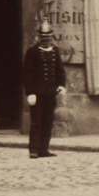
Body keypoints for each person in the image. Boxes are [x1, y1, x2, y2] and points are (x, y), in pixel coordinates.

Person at [22, 18, 65, 159]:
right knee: (36, 122)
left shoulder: (55, 51)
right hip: (37, 93)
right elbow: (27, 74)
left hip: (50, 92)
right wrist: (30, 92)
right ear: (39, 37)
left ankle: (44, 149)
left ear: (51, 37)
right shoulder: (32, 52)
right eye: (43, 37)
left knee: (48, 121)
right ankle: (33, 149)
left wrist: (61, 85)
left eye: (48, 37)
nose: (46, 40)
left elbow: (60, 70)